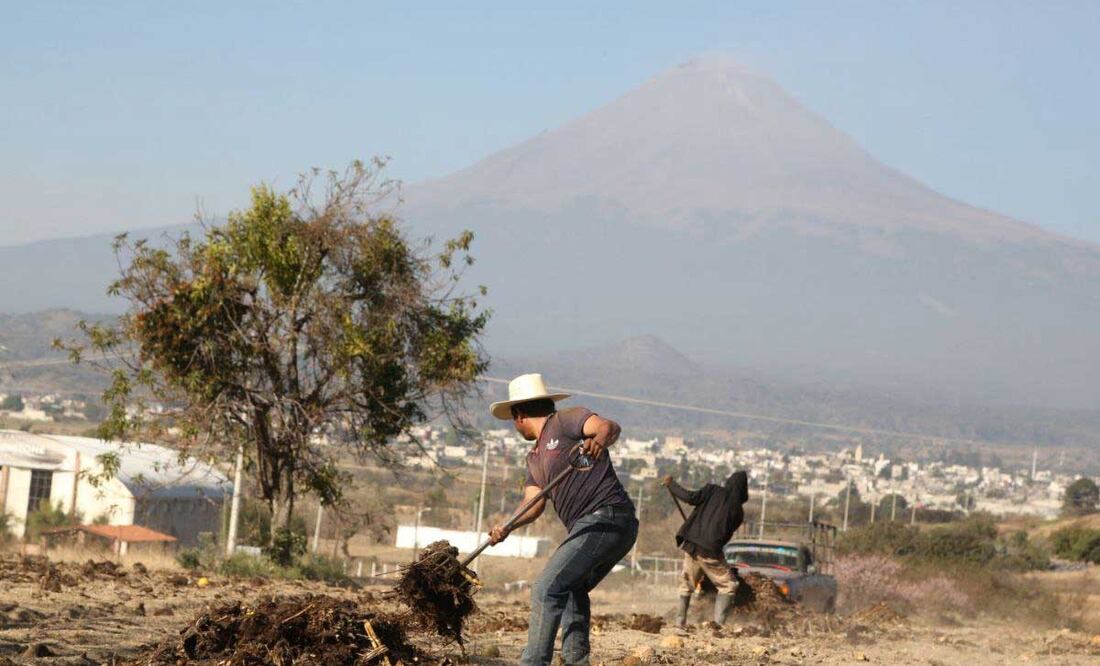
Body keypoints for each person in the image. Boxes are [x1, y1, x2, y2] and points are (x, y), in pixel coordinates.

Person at [488, 373, 637, 666]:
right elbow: (533, 504)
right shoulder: (534, 459)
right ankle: (576, 661)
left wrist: (599, 441)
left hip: (607, 517)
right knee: (570, 588)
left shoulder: (566, 420)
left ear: (519, 415)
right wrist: (507, 527)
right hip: (600, 526)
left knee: (546, 587)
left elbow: (609, 427)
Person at [661, 470, 749, 627]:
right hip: (709, 550)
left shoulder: (712, 490)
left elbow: (689, 497)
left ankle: (679, 622)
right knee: (728, 585)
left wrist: (671, 485)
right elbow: (725, 534)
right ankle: (718, 625)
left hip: (691, 544)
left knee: (687, 583)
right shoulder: (738, 511)